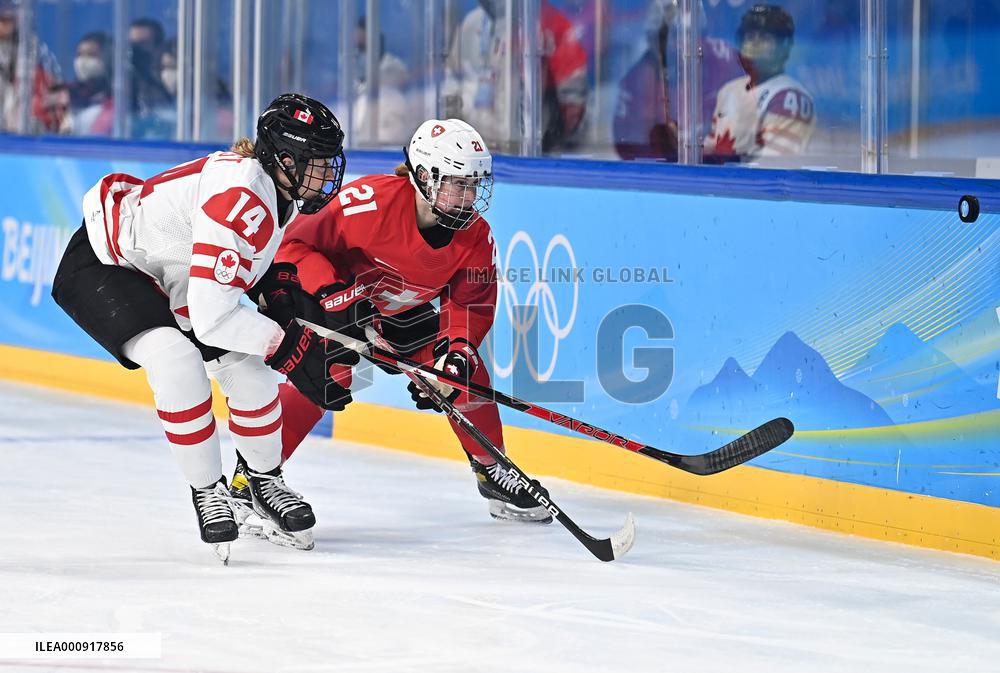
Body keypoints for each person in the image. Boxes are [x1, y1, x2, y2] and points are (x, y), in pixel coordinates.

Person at [50, 93, 352, 560]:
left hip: (174, 277)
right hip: (107, 266)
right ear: (284, 158)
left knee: (249, 372)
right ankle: (208, 490)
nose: (325, 175)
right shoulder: (242, 197)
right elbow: (213, 318)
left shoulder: (275, 187)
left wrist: (277, 288)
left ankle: (264, 481)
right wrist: (290, 346)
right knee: (177, 362)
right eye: (316, 162)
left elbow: (232, 271)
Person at [235, 118, 553, 524]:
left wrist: (456, 351)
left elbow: (470, 302)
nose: (469, 195)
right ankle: (253, 480)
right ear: (424, 177)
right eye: (458, 183)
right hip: (330, 298)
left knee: (461, 373)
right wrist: (332, 294)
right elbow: (292, 242)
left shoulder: (475, 235)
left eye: (474, 184)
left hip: (398, 310)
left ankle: (491, 469)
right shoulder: (365, 204)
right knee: (326, 374)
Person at [443, 0, 587, 154]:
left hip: (526, 152)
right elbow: (451, 86)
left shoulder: (550, 23)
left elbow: (572, 103)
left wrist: (549, 145)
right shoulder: (471, 23)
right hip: (472, 148)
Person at [613, 0, 743, 161]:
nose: (680, 44)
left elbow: (747, 135)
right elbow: (631, 150)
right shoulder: (635, 81)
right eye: (670, 35)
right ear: (653, 39)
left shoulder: (726, 61)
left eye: (689, 34)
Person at [702, 4, 815, 161]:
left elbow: (774, 166)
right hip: (723, 182)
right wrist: (680, 149)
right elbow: (712, 147)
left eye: (764, 37)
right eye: (750, 37)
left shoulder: (790, 97)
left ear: (784, 45)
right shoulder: (728, 90)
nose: (755, 44)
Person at [67, 32, 113, 136]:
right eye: (80, 55)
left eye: (92, 55)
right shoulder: (67, 93)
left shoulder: (116, 98)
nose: (83, 61)